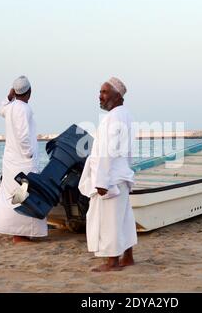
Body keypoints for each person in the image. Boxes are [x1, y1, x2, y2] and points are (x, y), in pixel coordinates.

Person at [78, 77, 137, 272]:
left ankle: (112, 262)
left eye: (104, 92)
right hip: (122, 175)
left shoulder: (113, 117)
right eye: (100, 92)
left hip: (111, 178)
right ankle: (127, 257)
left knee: (110, 221)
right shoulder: (125, 114)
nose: (100, 96)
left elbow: (107, 151)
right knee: (124, 219)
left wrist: (101, 181)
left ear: (117, 96)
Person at [0, 76, 48, 243]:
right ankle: (19, 234)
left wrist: (8, 97)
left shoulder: (11, 107)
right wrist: (29, 154)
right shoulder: (23, 108)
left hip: (10, 161)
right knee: (24, 194)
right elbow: (23, 135)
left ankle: (18, 232)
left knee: (13, 194)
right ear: (29, 92)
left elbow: (1, 109)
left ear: (15, 91)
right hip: (23, 161)